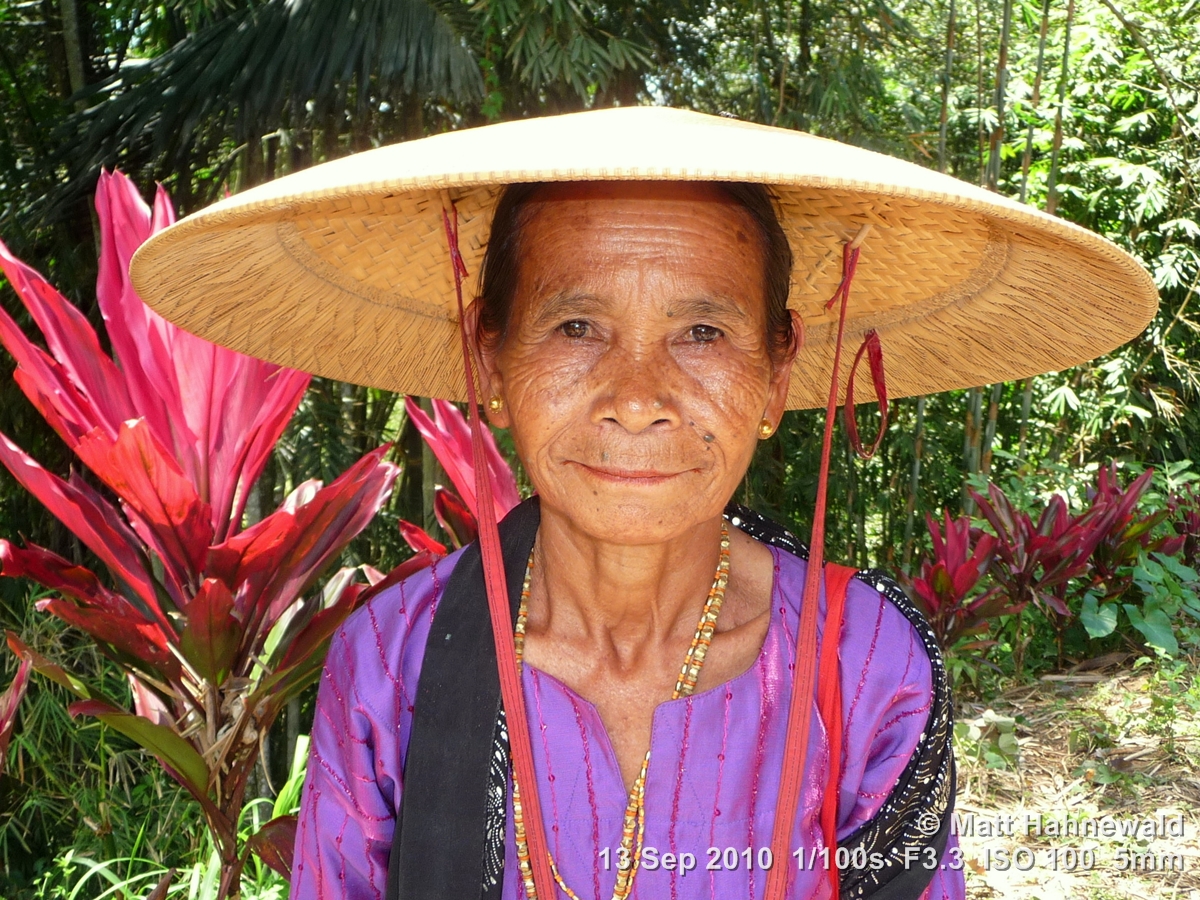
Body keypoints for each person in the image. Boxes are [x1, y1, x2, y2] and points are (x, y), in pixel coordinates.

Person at [129, 107, 1158, 900]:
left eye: (703, 333)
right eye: (576, 325)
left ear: (776, 372)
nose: (636, 395)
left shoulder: (865, 661)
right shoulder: (390, 663)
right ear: (491, 356)